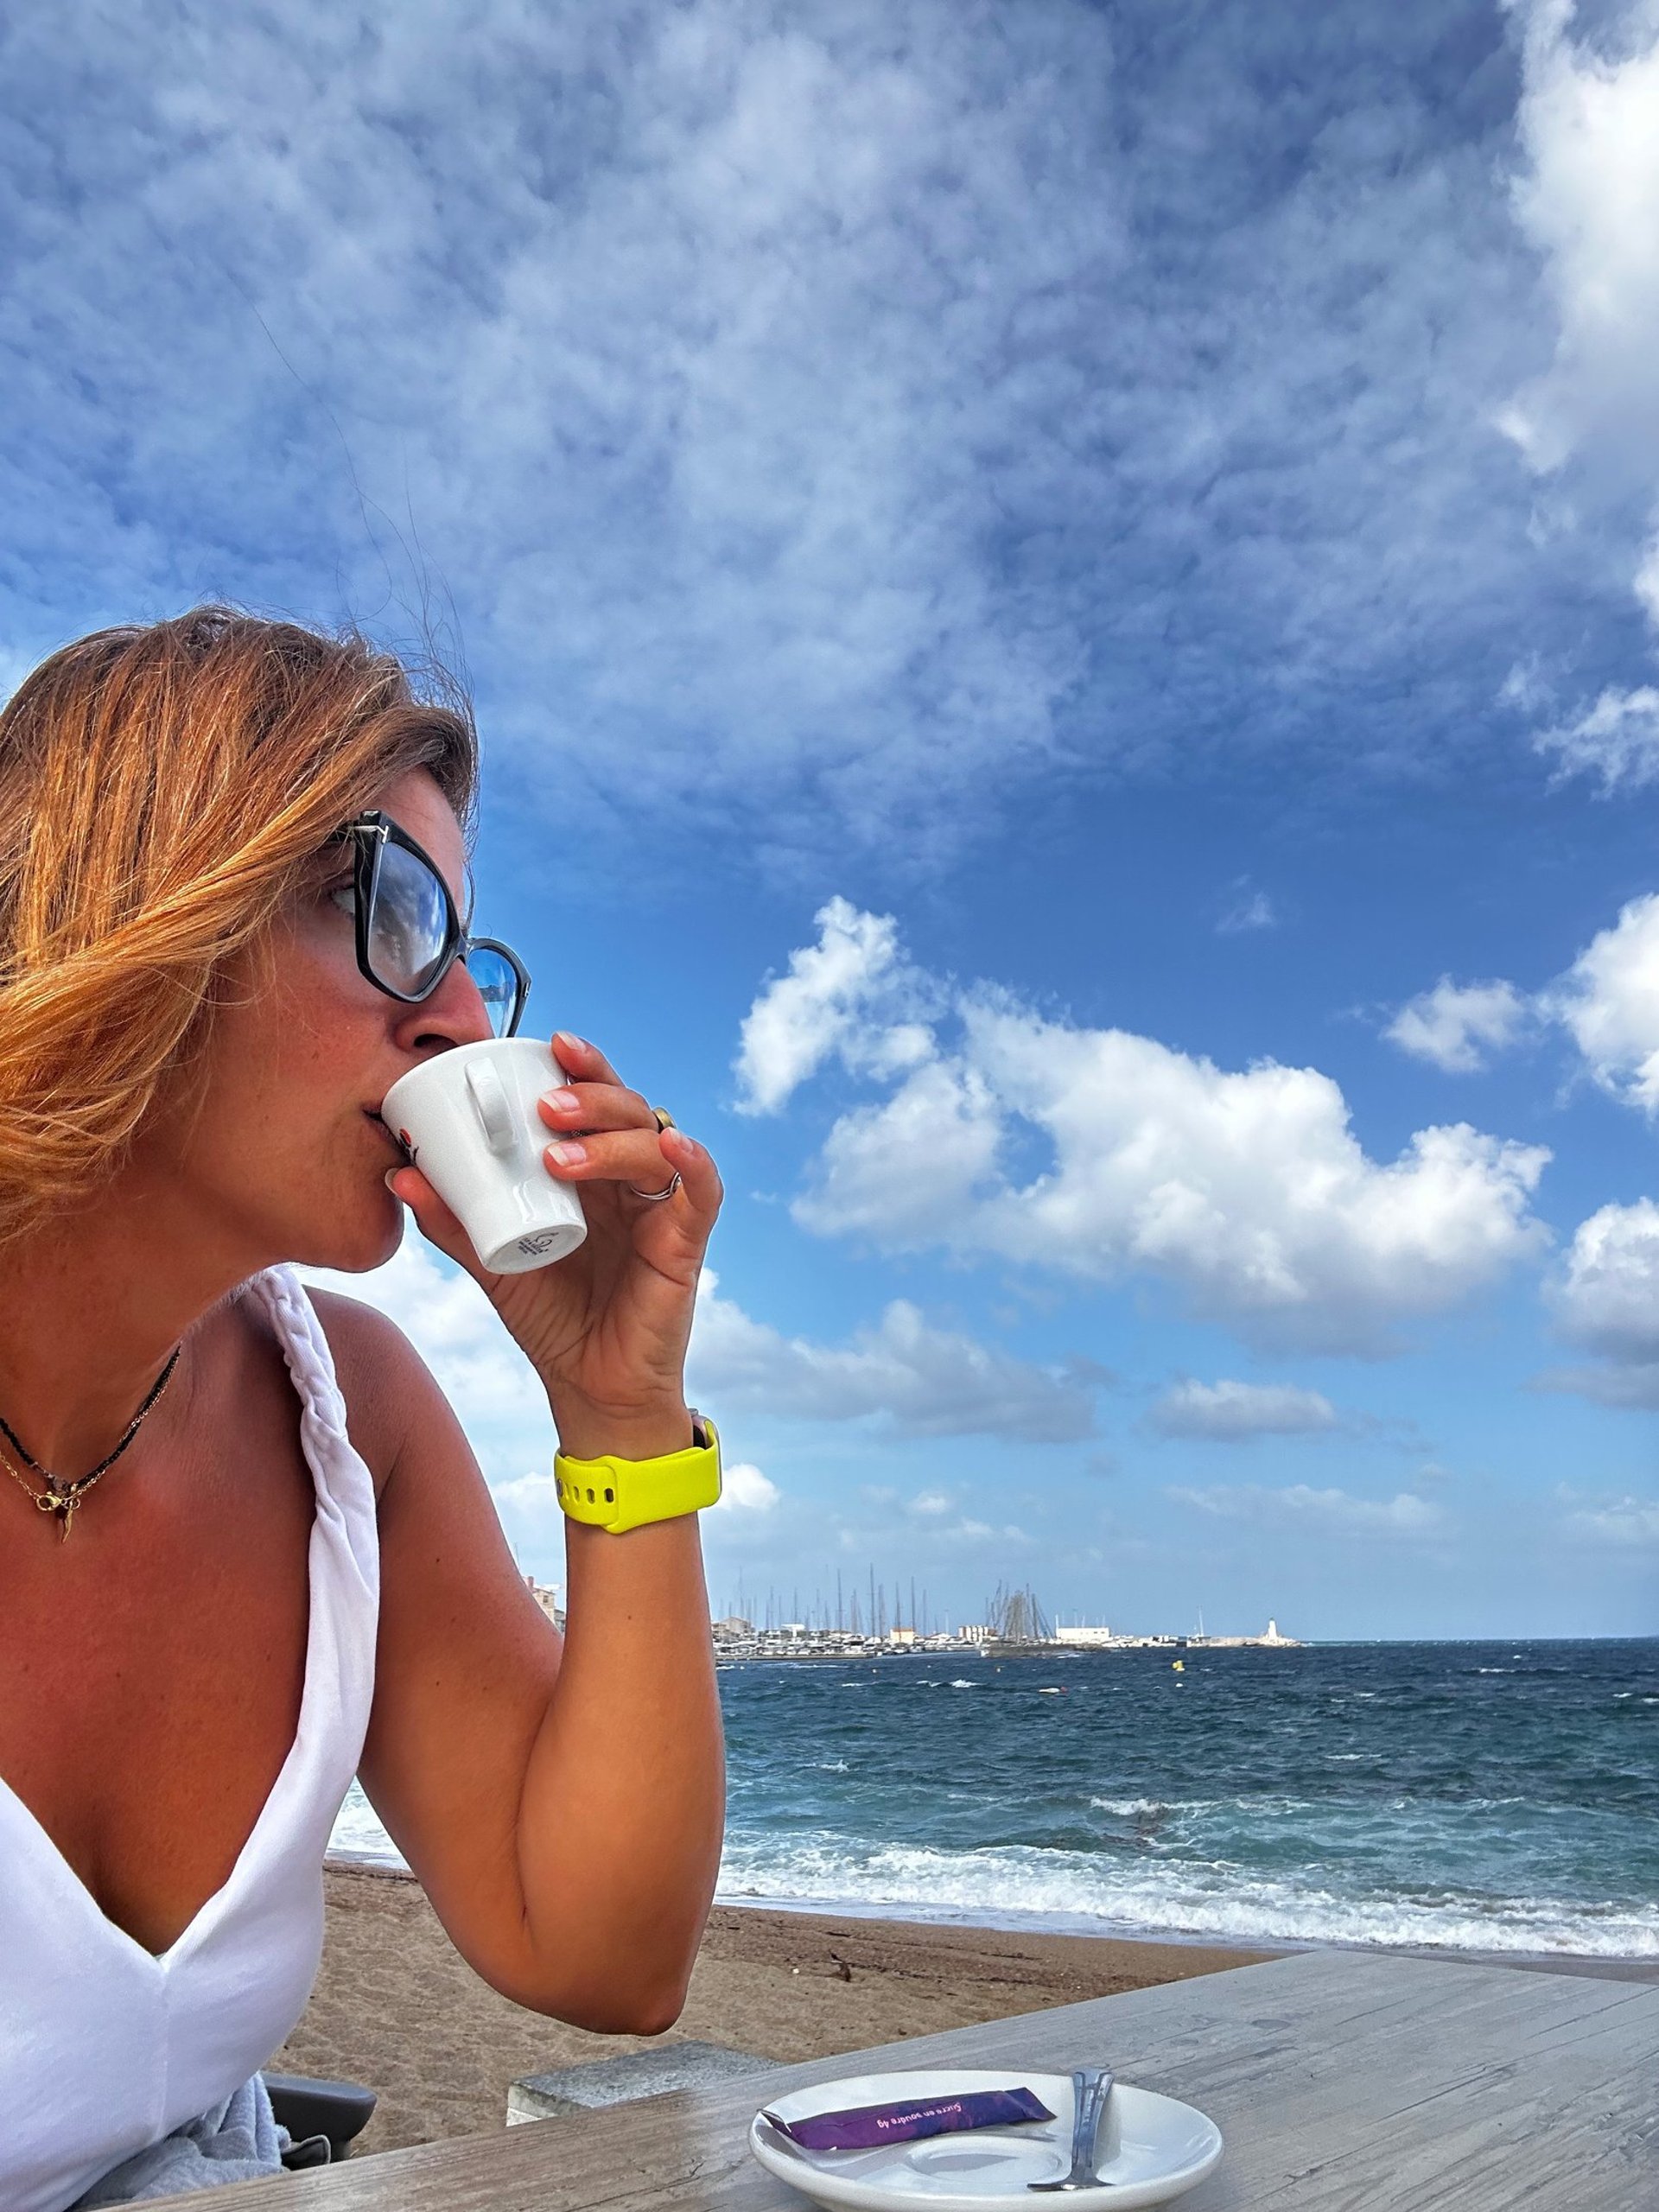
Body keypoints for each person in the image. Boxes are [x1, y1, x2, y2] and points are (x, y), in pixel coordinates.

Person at [0, 609, 727, 2211]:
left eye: (475, 955)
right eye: (392, 908)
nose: (465, 1022)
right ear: (142, 897)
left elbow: (603, 1955)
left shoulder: (354, 1419)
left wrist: (620, 1417)